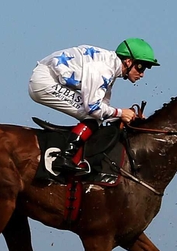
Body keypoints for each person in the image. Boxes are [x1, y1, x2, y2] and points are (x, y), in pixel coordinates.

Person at [28, 38, 159, 175]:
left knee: (96, 117)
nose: (142, 74)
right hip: (44, 82)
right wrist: (121, 113)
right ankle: (64, 157)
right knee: (92, 116)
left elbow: (104, 109)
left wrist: (126, 117)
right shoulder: (103, 69)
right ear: (128, 61)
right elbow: (94, 109)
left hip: (48, 79)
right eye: (141, 67)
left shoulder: (110, 68)